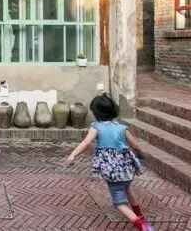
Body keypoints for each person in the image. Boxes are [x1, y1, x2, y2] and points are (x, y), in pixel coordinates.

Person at [66, 93, 154, 231]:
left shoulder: (96, 127)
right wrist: (141, 154)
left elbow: (86, 142)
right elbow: (135, 145)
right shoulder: (121, 128)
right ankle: (139, 214)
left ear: (96, 113)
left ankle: (141, 225)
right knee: (127, 187)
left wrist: (73, 155)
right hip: (127, 169)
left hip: (113, 172)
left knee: (119, 203)